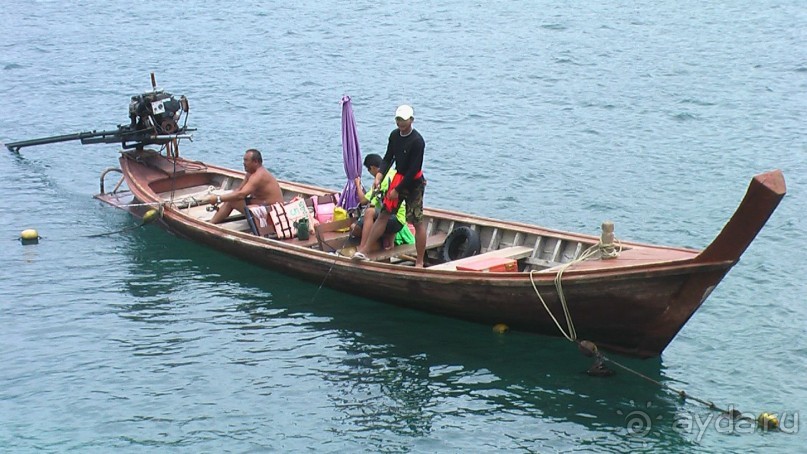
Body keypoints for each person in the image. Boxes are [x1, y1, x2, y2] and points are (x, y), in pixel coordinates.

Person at [353, 104, 427, 267]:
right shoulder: (394, 136)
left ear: (411, 120)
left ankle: (420, 261)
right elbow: (388, 158)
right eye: (398, 119)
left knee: (417, 221)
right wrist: (379, 176)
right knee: (384, 215)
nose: (400, 123)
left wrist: (397, 190)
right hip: (398, 180)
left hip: (413, 183)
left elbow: (414, 169)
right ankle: (364, 251)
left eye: (404, 120)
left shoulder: (417, 141)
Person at [351, 154, 414, 252]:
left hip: (393, 219)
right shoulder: (394, 173)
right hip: (401, 219)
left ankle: (363, 248)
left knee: (368, 213)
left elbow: (363, 201)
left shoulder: (381, 179)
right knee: (359, 224)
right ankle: (384, 240)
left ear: (372, 168)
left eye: (369, 170)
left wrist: (358, 185)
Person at [205, 149, 284, 224]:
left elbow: (241, 195)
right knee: (231, 198)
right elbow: (239, 190)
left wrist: (218, 199)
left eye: (246, 160)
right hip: (261, 204)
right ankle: (211, 223)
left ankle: (211, 224)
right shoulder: (250, 173)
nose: (243, 163)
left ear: (255, 162)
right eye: (244, 160)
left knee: (233, 201)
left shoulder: (258, 176)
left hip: (272, 213)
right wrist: (223, 198)